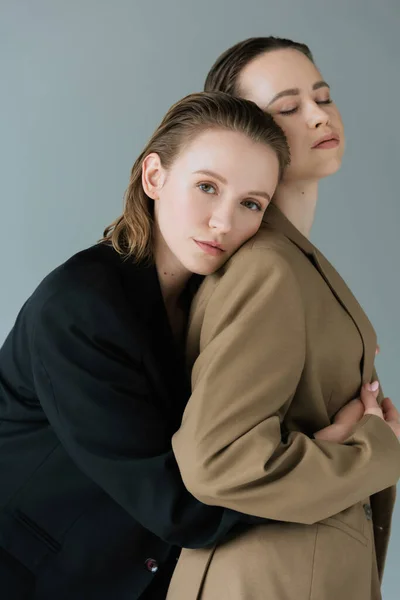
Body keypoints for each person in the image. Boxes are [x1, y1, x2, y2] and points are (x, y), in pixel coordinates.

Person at [0, 91, 290, 600]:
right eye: (206, 186)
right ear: (154, 176)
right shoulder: (79, 308)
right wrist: (328, 460)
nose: (224, 222)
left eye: (250, 204)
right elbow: (177, 508)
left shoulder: (209, 304)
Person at [167, 38, 400, 600]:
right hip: (271, 577)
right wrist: (375, 449)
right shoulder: (268, 266)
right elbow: (217, 461)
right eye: (289, 107)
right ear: (246, 129)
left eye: (323, 96)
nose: (320, 114)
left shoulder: (288, 260)